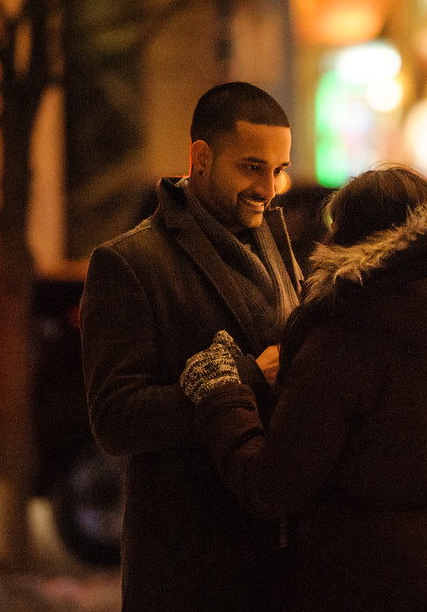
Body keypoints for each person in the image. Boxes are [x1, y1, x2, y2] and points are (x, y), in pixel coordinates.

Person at [179, 165, 427, 611]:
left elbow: (271, 486)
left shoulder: (346, 340)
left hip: (350, 579)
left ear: (352, 239)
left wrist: (220, 391)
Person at [80, 82, 302, 612]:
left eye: (278, 169)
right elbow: (116, 420)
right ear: (200, 158)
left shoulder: (274, 237)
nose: (268, 187)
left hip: (277, 559)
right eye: (251, 166)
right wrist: (244, 377)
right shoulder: (130, 263)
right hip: (189, 568)